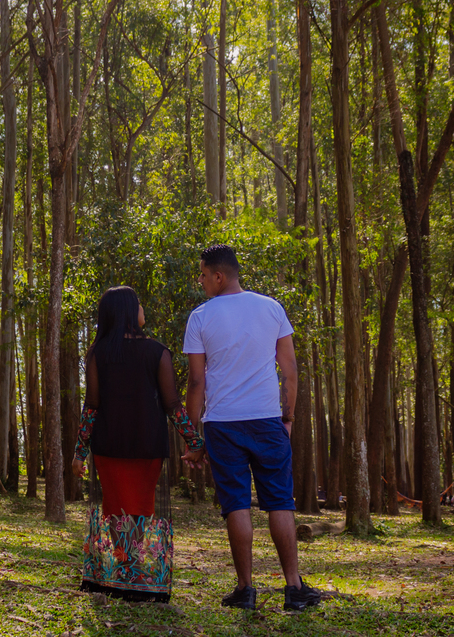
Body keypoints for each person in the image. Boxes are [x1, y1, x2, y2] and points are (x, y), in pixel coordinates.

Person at [181, 245, 322, 612]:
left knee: (236, 504)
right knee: (280, 501)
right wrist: (287, 419)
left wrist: (193, 438)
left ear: (218, 276)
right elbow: (289, 371)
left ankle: (245, 590)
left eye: (203, 274)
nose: (200, 281)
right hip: (266, 420)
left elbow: (196, 382)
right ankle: (294, 588)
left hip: (222, 424)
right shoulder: (271, 308)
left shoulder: (200, 317)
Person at [72, 286, 204, 603]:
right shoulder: (157, 352)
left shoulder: (98, 353)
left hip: (109, 444)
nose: (143, 309)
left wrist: (80, 451)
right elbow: (173, 405)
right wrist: (195, 441)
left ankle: (125, 568)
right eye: (139, 304)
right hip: (147, 445)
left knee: (117, 508)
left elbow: (92, 407)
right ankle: (129, 569)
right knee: (139, 508)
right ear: (129, 312)